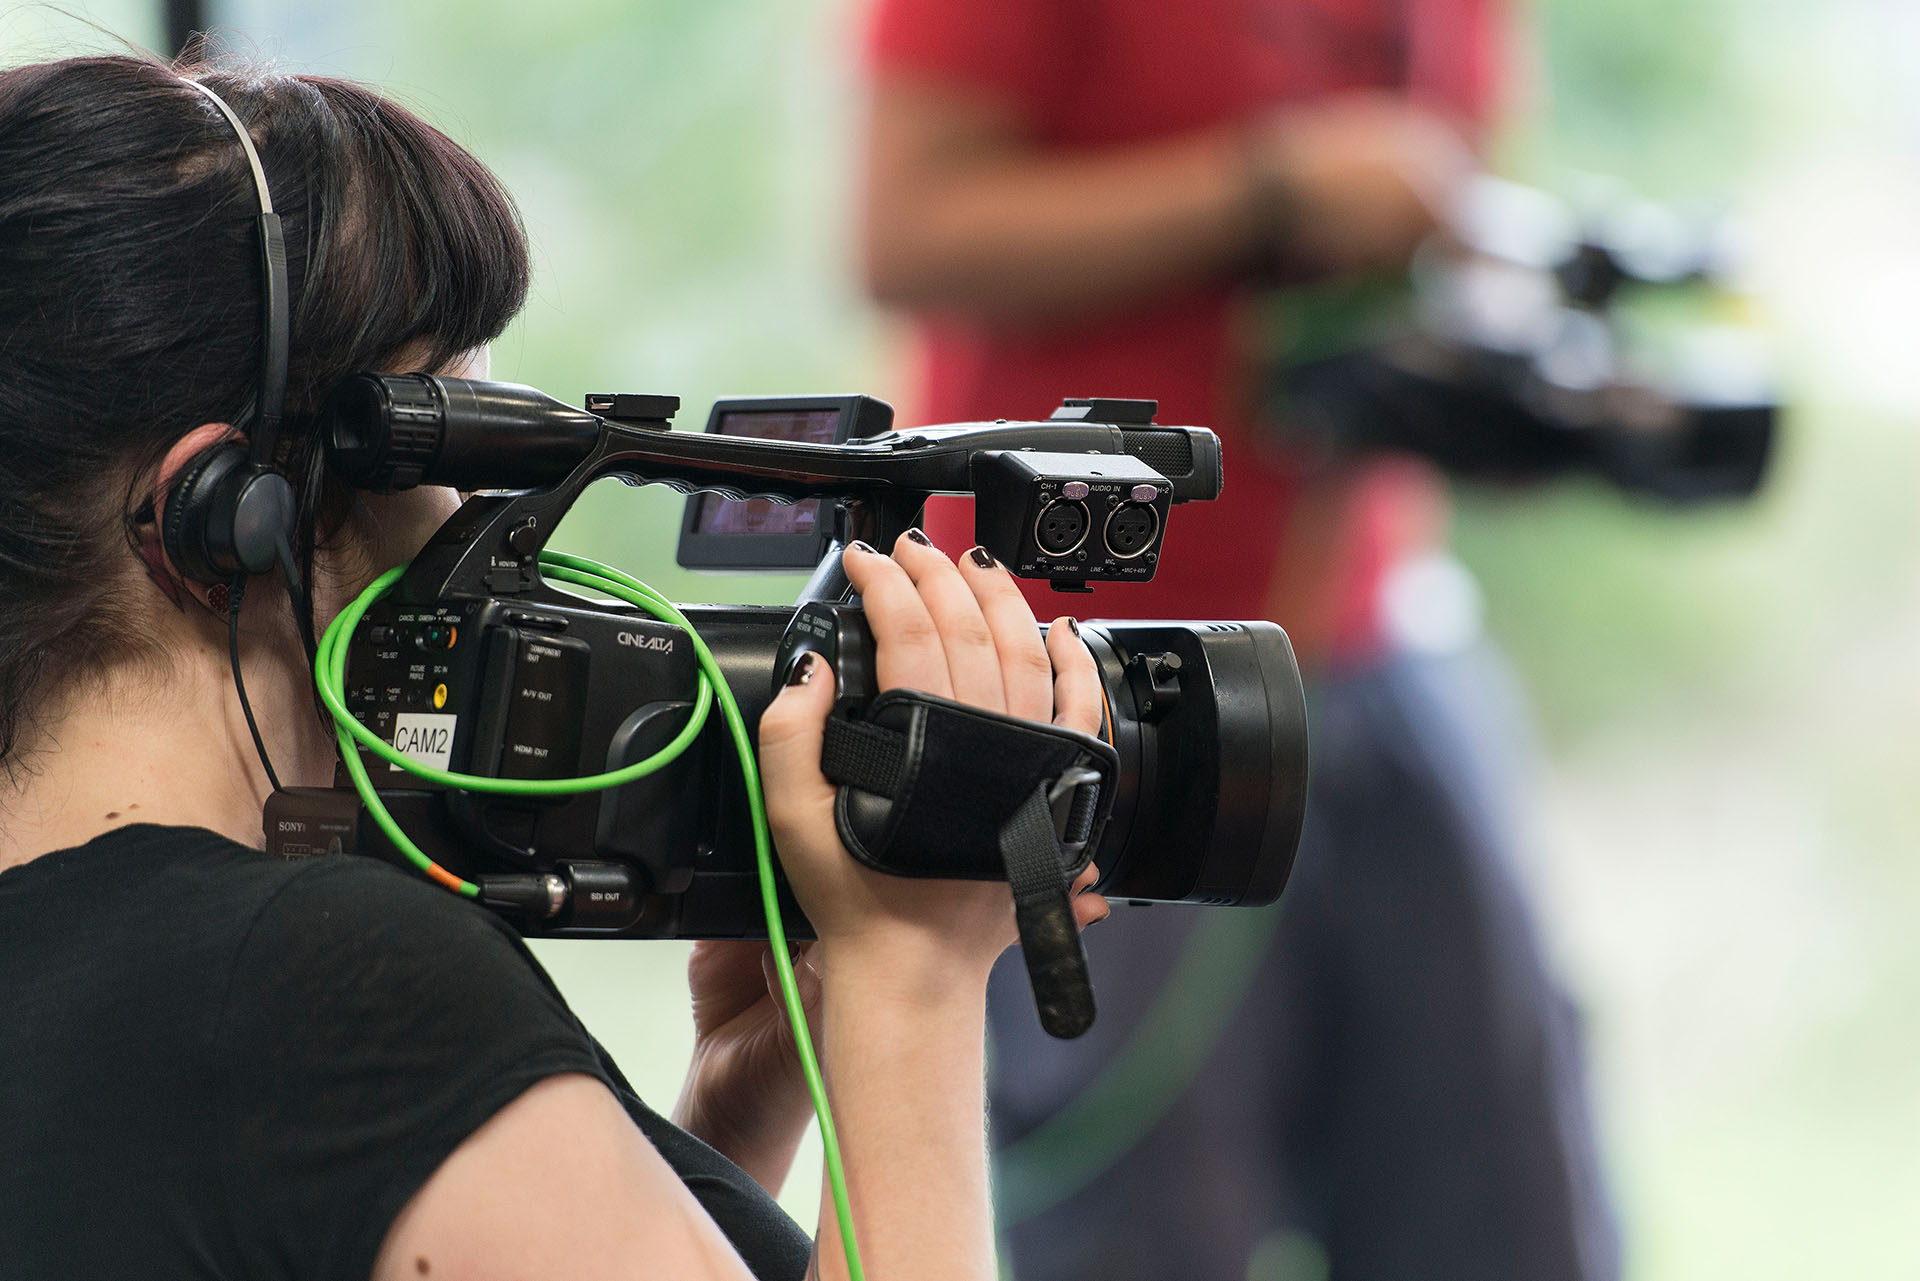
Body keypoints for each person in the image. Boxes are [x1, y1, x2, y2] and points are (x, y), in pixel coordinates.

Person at [0, 54, 1108, 1281]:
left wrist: (726, 1118)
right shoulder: (323, 986)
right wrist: (914, 980)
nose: (478, 509)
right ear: (215, 516)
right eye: (444, 432)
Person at [859, 1, 1620, 1278]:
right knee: (1142, 1226)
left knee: (1508, 1205)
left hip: (1373, 641)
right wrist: (1265, 198)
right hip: (1079, 678)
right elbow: (901, 228)